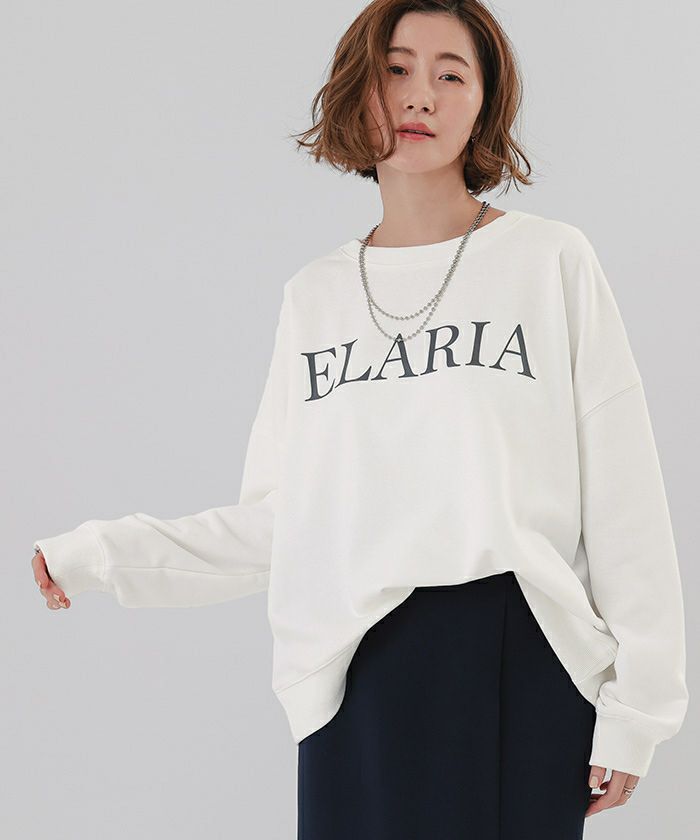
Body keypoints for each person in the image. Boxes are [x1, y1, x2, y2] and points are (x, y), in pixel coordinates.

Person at [32, 1, 688, 837]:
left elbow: (624, 492)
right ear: (359, 89)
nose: (421, 96)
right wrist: (100, 554)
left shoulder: (547, 260)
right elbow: (282, 523)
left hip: (515, 654)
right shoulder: (316, 297)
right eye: (397, 69)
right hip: (352, 671)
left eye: (451, 75)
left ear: (484, 103)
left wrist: (640, 708)